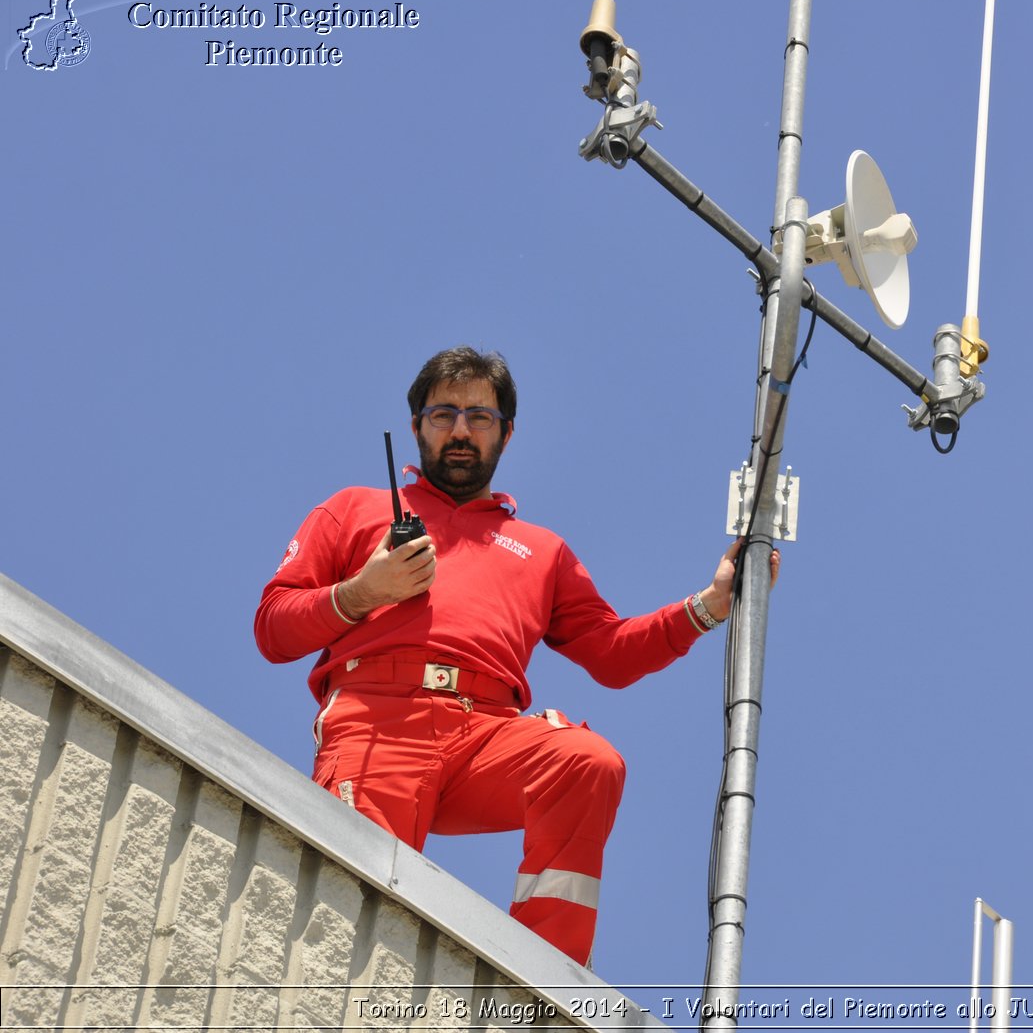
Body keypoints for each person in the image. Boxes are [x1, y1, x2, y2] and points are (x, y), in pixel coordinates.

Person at [254, 346, 779, 966]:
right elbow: (272, 628)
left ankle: (541, 979)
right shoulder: (354, 509)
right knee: (356, 909)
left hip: (486, 734)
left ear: (506, 433)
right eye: (443, 412)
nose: (459, 429)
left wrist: (709, 605)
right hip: (377, 722)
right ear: (417, 423)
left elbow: (611, 653)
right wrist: (363, 592)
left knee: (588, 761)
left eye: (479, 416)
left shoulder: (541, 550)